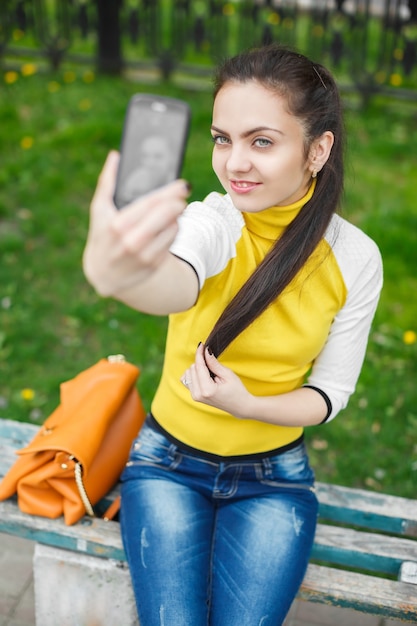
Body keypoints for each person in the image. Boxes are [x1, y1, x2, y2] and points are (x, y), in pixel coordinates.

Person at [83, 44, 383, 626]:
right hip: (167, 464)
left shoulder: (354, 258)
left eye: (261, 141)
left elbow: (329, 395)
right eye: (223, 138)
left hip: (273, 478)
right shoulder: (213, 220)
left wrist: (246, 403)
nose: (234, 163)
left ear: (318, 149)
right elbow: (175, 283)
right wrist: (119, 276)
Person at [118, 134, 176, 206]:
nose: (150, 163)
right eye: (145, 156)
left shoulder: (173, 182)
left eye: (158, 156)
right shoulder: (136, 179)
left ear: (172, 158)